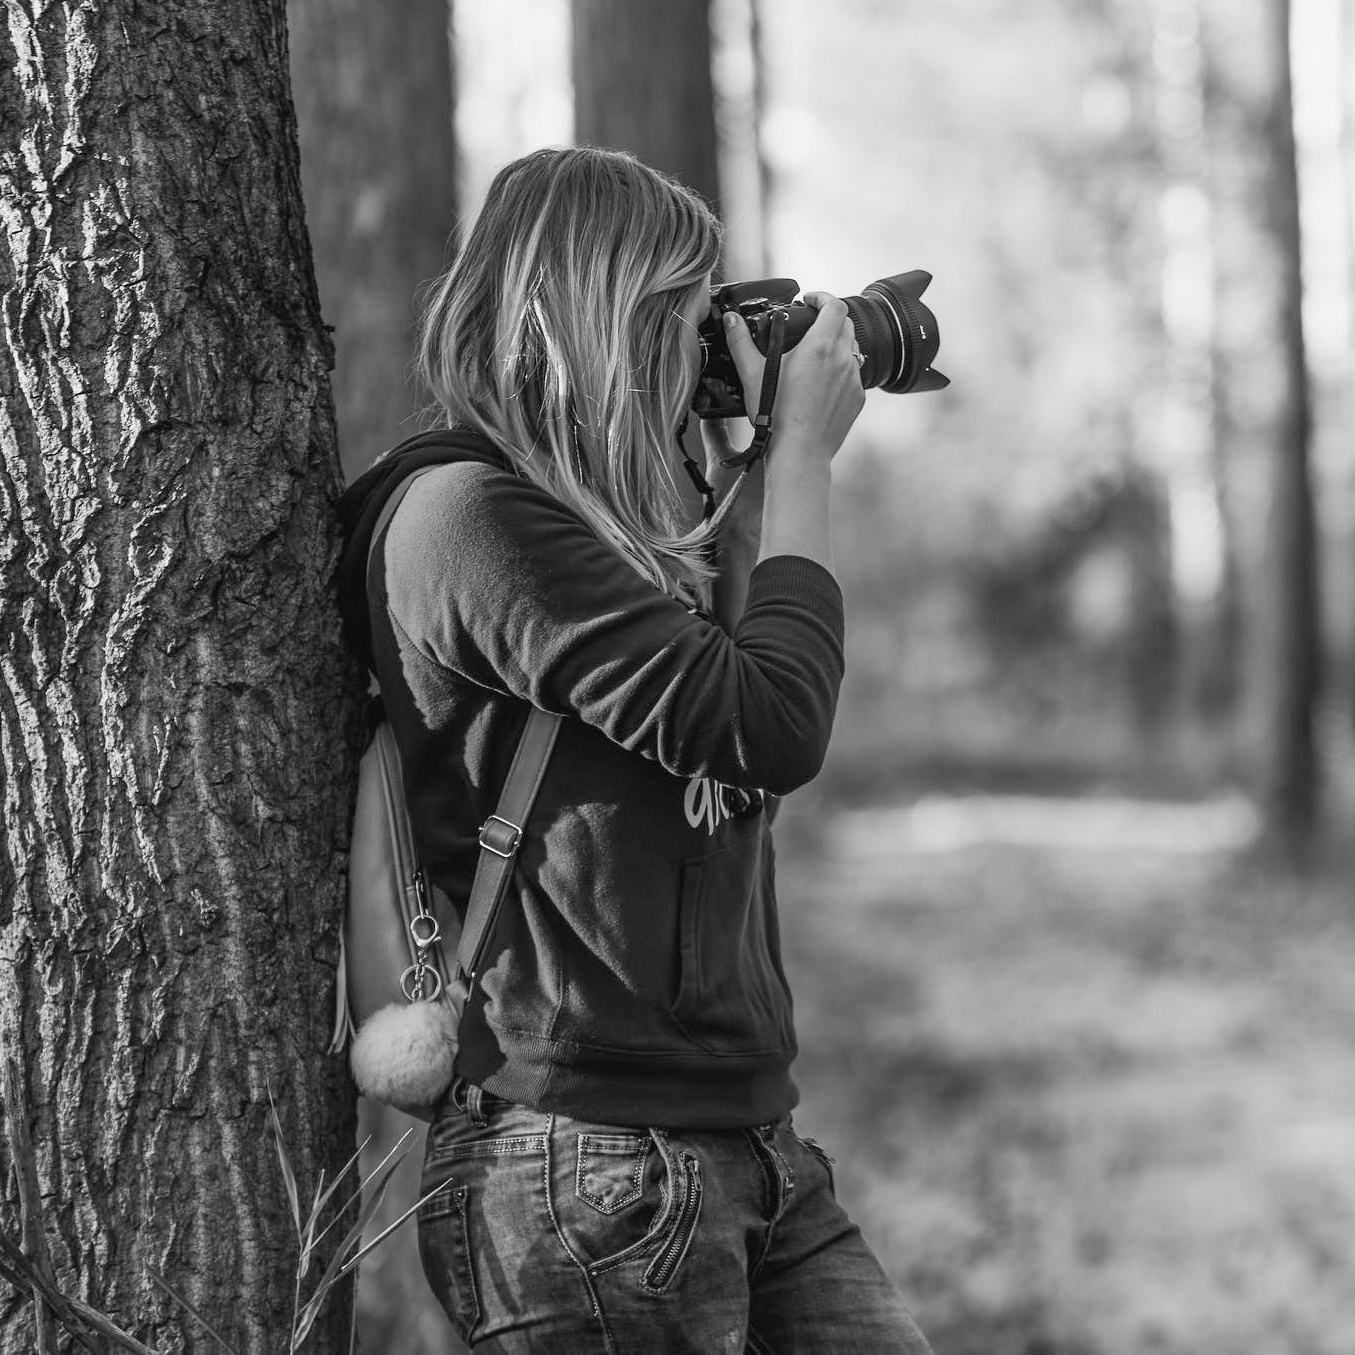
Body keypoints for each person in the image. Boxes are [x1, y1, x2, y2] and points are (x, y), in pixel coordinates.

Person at [337, 147, 933, 1353]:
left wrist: (736, 480)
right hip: (586, 1158)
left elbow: (715, 711)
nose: (698, 344)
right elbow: (768, 726)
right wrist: (804, 461)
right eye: (681, 311)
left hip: (738, 1139)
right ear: (602, 315)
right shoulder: (470, 519)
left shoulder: (585, 530)